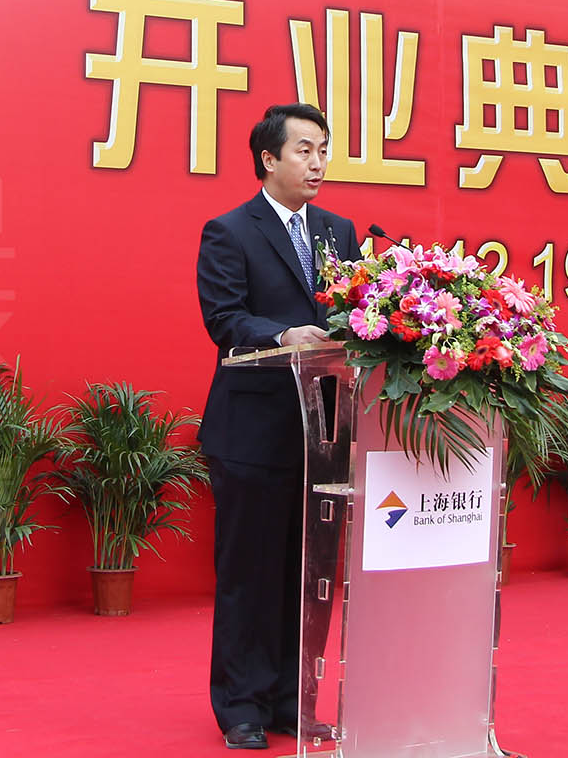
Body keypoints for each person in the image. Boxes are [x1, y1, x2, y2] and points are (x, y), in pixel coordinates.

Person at [195, 103, 361, 750]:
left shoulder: (338, 232)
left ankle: (292, 698)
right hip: (253, 433)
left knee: (305, 573)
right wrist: (282, 334)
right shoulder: (230, 231)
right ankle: (240, 705)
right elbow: (224, 318)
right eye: (304, 150)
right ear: (269, 159)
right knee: (250, 573)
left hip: (321, 431)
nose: (318, 163)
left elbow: (355, 310)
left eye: (323, 150)